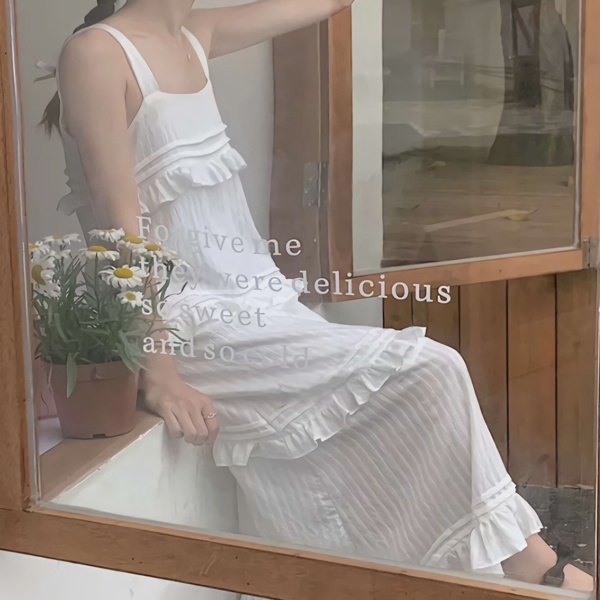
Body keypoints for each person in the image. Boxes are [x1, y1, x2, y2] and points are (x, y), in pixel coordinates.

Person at [42, 0, 593, 591]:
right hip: (190, 324)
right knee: (435, 369)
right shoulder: (98, 54)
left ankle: (475, 568)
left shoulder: (195, 33)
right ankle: (531, 566)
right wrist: (159, 372)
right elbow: (120, 235)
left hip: (261, 305)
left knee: (408, 397)